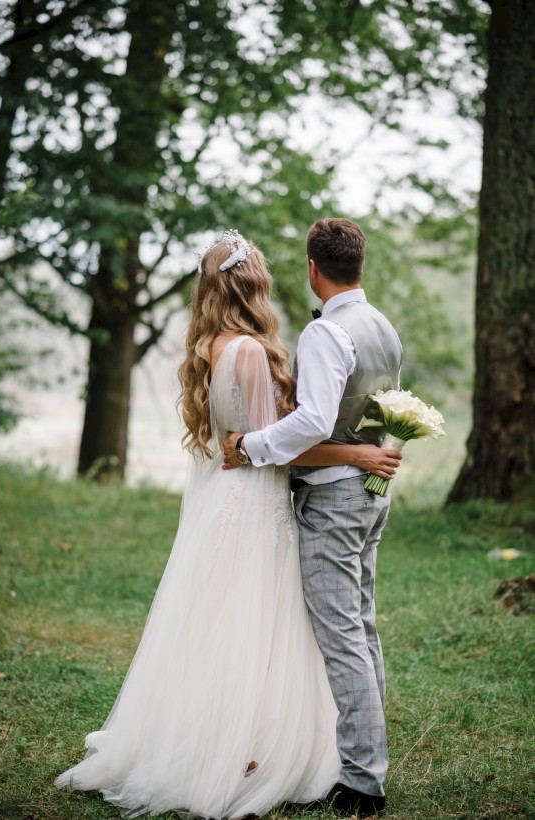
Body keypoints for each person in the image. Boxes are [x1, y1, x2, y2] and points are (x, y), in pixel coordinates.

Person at [55, 229, 398, 819]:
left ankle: (299, 753)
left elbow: (266, 438)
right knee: (273, 629)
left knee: (240, 627)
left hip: (251, 499)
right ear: (253, 284)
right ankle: (258, 752)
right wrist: (359, 454)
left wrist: (334, 449)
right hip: (265, 502)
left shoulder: (219, 345)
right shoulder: (267, 348)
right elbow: (279, 445)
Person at [223, 218, 403, 819]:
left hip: (331, 496)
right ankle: (368, 762)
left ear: (312, 269)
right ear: (360, 265)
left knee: (342, 635)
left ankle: (361, 781)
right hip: (371, 491)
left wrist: (250, 444)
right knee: (363, 626)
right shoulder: (382, 328)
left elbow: (314, 421)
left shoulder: (327, 333)